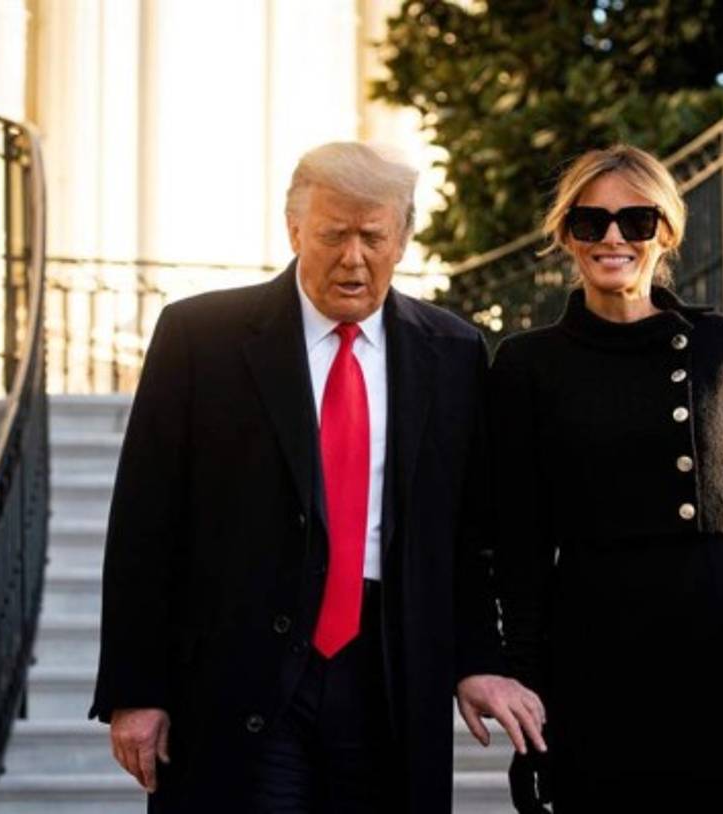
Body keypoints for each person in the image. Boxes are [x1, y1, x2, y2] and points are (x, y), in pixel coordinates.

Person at [90, 141, 545, 813]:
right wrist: (136, 690)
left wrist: (478, 658)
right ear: (294, 229)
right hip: (240, 672)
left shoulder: (452, 352)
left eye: (374, 237)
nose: (354, 257)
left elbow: (467, 532)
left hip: (389, 676)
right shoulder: (201, 338)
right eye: (334, 235)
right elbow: (144, 524)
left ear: (402, 240)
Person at [490, 145, 723, 811]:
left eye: (637, 221)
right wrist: (527, 699)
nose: (613, 238)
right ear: (567, 235)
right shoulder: (527, 364)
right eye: (591, 222)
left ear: (665, 233)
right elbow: (520, 551)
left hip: (719, 649)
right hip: (593, 652)